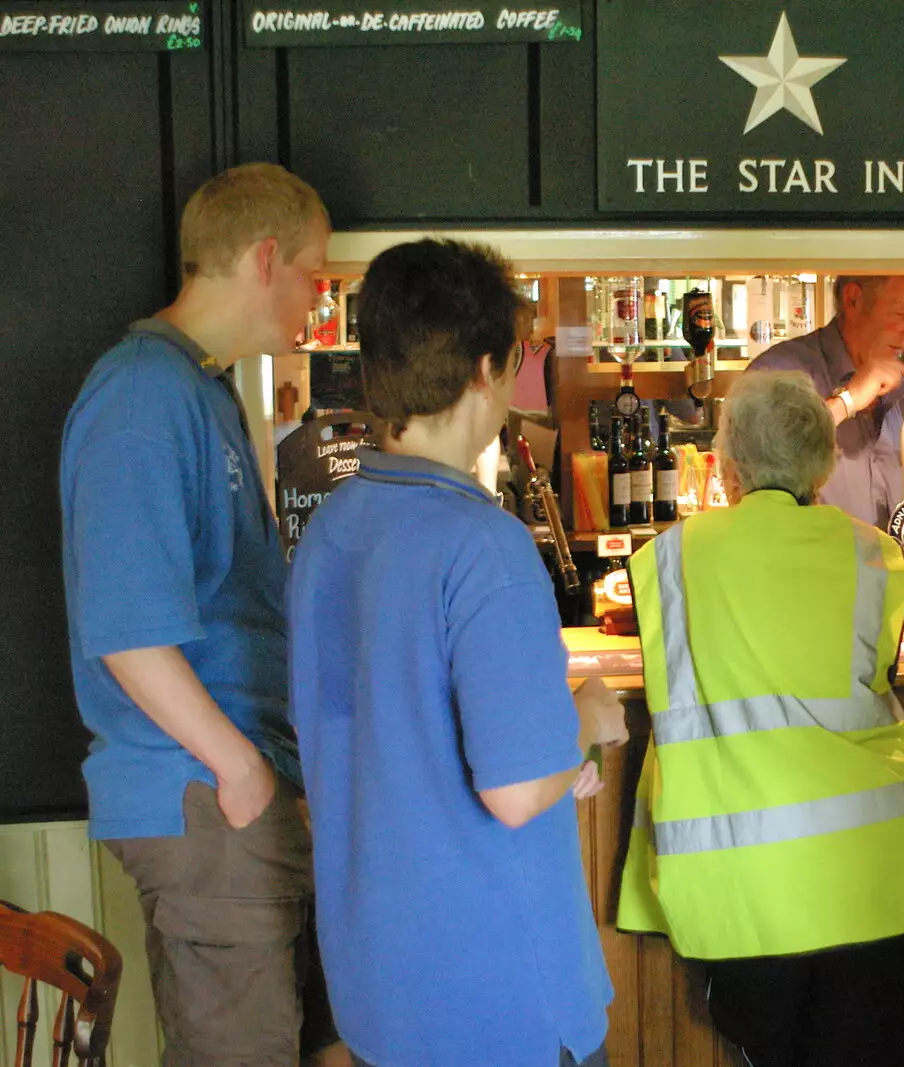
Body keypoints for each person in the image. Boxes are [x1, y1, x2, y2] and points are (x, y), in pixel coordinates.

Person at [286, 239, 624, 1067]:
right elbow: (512, 791)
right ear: (487, 369)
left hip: (377, 988)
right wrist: (584, 720)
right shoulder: (485, 545)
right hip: (499, 997)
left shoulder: (331, 527)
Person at [58, 163, 344, 1066]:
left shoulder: (201, 388)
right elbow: (128, 634)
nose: (319, 294)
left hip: (232, 792)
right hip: (203, 794)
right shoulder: (141, 394)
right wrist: (243, 772)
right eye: (314, 271)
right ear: (266, 259)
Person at [616, 369, 904, 1067]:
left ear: (726, 466)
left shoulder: (667, 562)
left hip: (748, 894)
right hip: (885, 881)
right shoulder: (878, 555)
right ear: (825, 460)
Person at [744, 274, 904, 528]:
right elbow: (756, 469)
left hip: (895, 566)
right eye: (900, 313)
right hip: (811, 566)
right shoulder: (777, 372)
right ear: (853, 300)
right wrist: (849, 398)